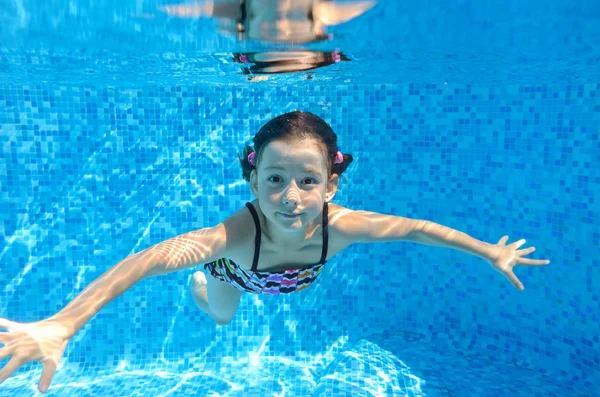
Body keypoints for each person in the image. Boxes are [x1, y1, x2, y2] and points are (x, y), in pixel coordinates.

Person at [0, 111, 550, 393]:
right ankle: (202, 291)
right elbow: (146, 260)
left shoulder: (346, 226)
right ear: (253, 179)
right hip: (238, 274)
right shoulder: (238, 233)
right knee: (219, 315)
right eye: (275, 179)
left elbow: (416, 229)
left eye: (308, 181)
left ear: (331, 185)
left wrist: (486, 251)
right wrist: (65, 323)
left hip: (296, 277)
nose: (291, 197)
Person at [158, 0, 377, 43]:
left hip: (309, 65)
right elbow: (187, 9)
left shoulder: (320, 10)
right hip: (254, 62)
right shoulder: (238, 6)